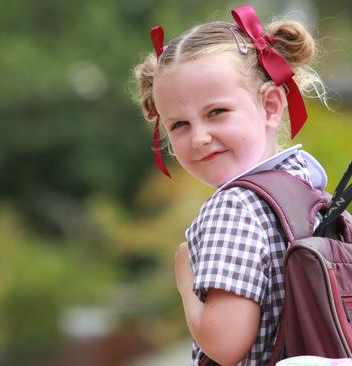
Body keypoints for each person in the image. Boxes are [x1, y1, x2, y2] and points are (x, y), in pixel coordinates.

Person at [133, 5, 328, 365]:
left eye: (216, 113)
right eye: (179, 125)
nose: (200, 137)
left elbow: (224, 345)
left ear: (270, 105)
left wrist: (184, 274)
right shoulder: (306, 185)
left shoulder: (233, 207)